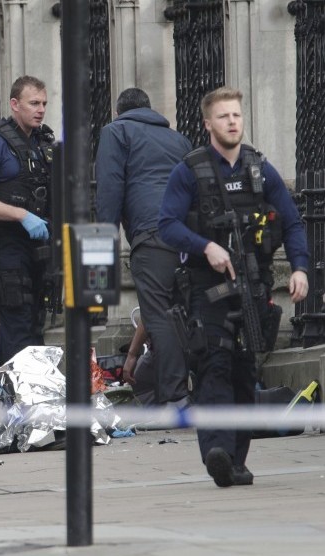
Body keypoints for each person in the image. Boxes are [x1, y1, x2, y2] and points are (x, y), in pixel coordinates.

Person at [159, 86, 309, 488]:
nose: (232, 122)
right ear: (208, 123)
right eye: (224, 116)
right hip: (207, 291)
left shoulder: (260, 170)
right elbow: (167, 225)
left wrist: (299, 269)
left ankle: (235, 461)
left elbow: (292, 222)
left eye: (237, 116)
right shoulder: (189, 170)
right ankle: (216, 452)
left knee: (245, 374)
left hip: (254, 287)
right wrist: (205, 245)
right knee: (214, 368)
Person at [95, 87, 194, 407]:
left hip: (151, 234)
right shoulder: (179, 139)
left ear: (119, 111)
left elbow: (110, 186)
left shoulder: (116, 131)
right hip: (186, 236)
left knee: (160, 314)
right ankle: (193, 388)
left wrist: (103, 242)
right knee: (181, 313)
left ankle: (175, 397)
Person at [0, 75, 54, 372]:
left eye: (43, 103)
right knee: (18, 323)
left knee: (33, 323)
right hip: (6, 247)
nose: (40, 109)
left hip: (38, 247)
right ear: (15, 104)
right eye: (33, 103)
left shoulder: (43, 143)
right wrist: (21, 215)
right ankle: (19, 406)